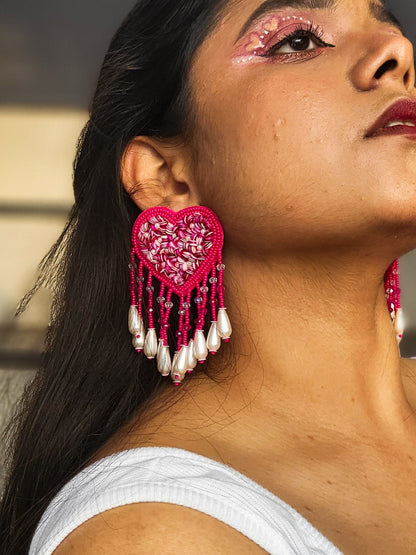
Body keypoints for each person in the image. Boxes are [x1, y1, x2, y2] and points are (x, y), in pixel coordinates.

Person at [1, 0, 416, 552]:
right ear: (166, 177)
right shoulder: (146, 537)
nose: (398, 53)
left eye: (391, 29)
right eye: (296, 41)